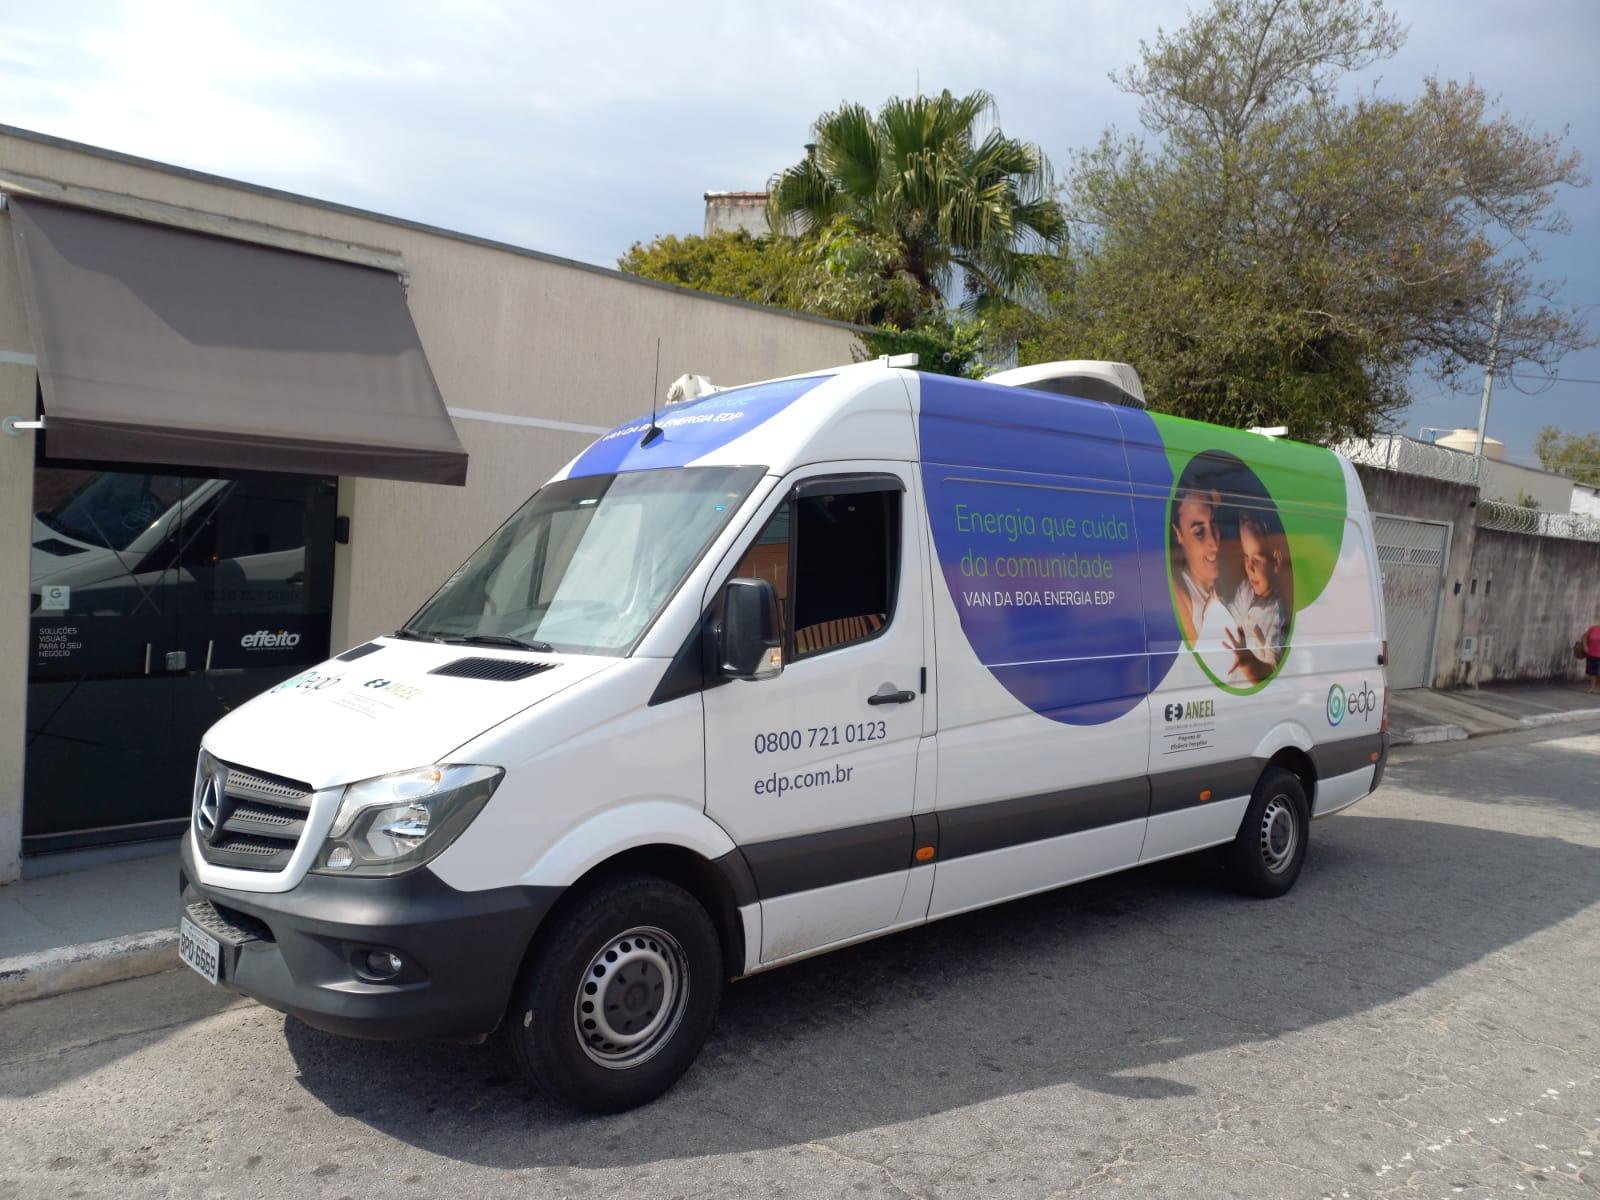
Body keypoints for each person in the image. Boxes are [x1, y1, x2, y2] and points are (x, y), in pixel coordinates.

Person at [1223, 509, 1291, 684]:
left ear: (1276, 561)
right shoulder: (1246, 589)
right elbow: (1228, 621)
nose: (1249, 567)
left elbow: (1272, 672)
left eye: (1257, 560)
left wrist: (1246, 660)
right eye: (1246, 557)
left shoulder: (1277, 613)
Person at [1170, 486, 1223, 645]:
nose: (1214, 543)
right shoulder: (1180, 595)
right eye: (1199, 531)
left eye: (1213, 523)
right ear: (1177, 533)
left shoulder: (1230, 576)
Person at [1584, 619, 1600, 694]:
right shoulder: (1593, 628)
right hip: (1592, 654)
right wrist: (1585, 646)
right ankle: (1592, 688)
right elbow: (1584, 637)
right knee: (1592, 672)